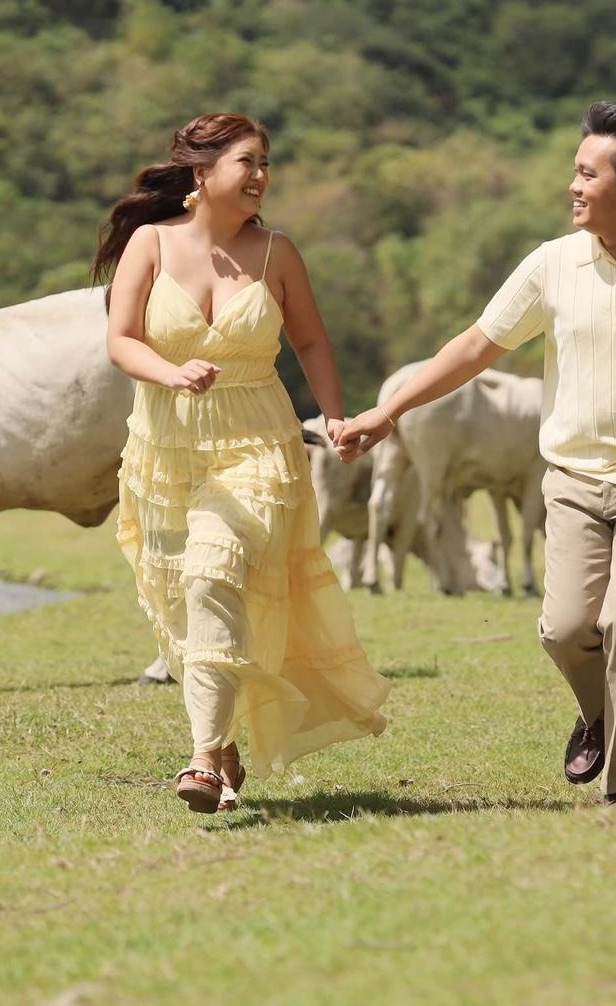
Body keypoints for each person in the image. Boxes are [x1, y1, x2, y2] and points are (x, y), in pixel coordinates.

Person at [340, 102, 616, 809]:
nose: (572, 186)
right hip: (574, 478)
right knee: (565, 630)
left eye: (587, 174)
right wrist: (387, 411)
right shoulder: (553, 264)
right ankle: (600, 713)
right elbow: (474, 347)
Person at [94, 112, 389, 814]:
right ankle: (221, 735)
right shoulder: (150, 243)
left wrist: (336, 415)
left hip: (256, 441)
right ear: (202, 173)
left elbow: (311, 341)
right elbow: (121, 340)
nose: (260, 175)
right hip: (166, 445)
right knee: (183, 598)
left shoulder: (276, 253)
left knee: (213, 570)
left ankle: (201, 760)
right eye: (246, 162)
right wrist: (170, 373)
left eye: (265, 163)